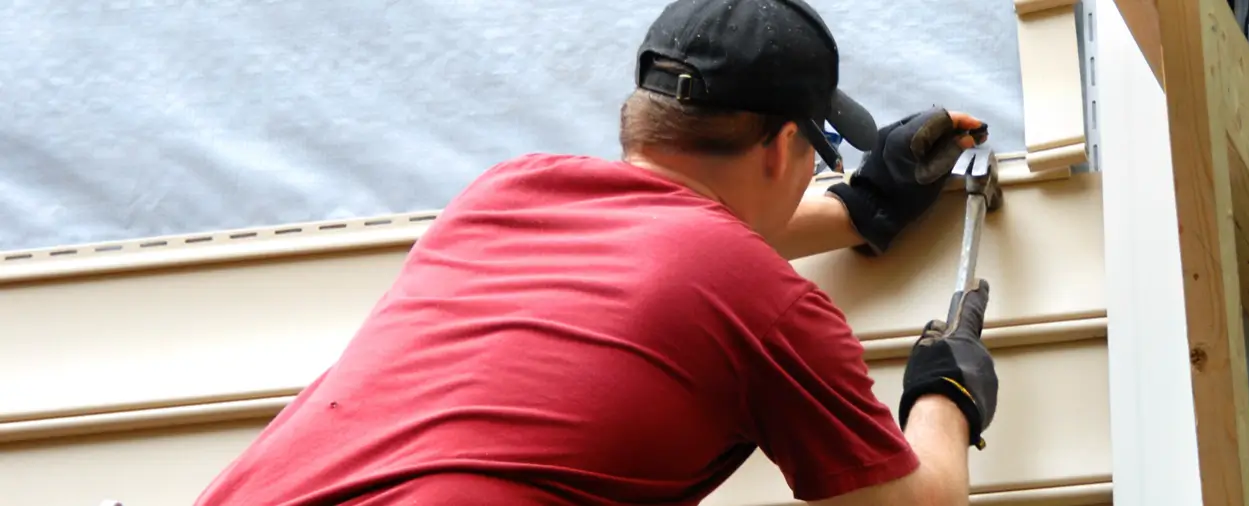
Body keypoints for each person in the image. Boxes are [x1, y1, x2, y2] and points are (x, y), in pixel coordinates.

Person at [194, 0, 999, 504]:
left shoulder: (506, 195)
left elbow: (668, 242)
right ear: (781, 146)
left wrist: (861, 207)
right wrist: (947, 398)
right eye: (819, 155)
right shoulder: (769, 309)